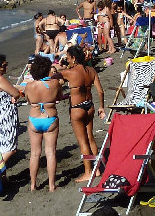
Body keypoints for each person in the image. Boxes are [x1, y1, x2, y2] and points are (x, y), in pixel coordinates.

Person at [52, 45, 105, 182]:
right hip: (90, 106)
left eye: (69, 58)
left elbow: (53, 75)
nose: (68, 60)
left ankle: (88, 172)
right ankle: (97, 168)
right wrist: (102, 107)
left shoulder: (70, 72)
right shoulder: (91, 70)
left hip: (77, 108)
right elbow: (100, 91)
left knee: (83, 142)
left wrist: (60, 64)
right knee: (90, 138)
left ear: (74, 58)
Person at [25, 56, 62, 191]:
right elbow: (59, 97)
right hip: (50, 118)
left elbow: (29, 101)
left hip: (35, 119)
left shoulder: (29, 86)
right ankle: (52, 185)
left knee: (35, 154)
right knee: (50, 152)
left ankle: (33, 185)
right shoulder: (55, 83)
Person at [0, 54, 22, 165]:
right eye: (4, 65)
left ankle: (2, 176)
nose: (6, 67)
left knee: (3, 147)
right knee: (11, 149)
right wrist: (14, 96)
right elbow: (16, 93)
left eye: (6, 65)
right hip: (5, 116)